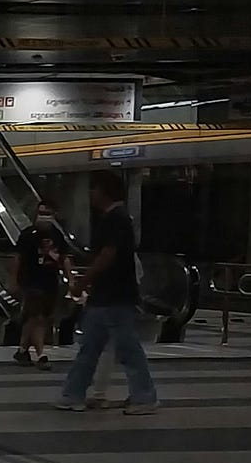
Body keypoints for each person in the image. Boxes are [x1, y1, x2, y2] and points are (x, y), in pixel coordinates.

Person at [57, 170, 159, 414]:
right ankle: (73, 394)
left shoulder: (117, 218)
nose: (90, 194)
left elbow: (107, 255)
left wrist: (83, 282)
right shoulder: (113, 218)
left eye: (93, 189)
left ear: (103, 190)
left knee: (126, 348)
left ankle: (144, 397)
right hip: (106, 296)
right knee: (91, 346)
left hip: (116, 296)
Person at [11, 199, 71, 368]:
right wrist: (14, 281)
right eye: (41, 213)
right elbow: (18, 258)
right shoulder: (28, 235)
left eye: (47, 214)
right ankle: (41, 354)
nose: (43, 217)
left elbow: (64, 258)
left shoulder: (57, 236)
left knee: (37, 318)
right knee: (36, 317)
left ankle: (22, 350)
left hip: (50, 282)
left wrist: (70, 280)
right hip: (31, 281)